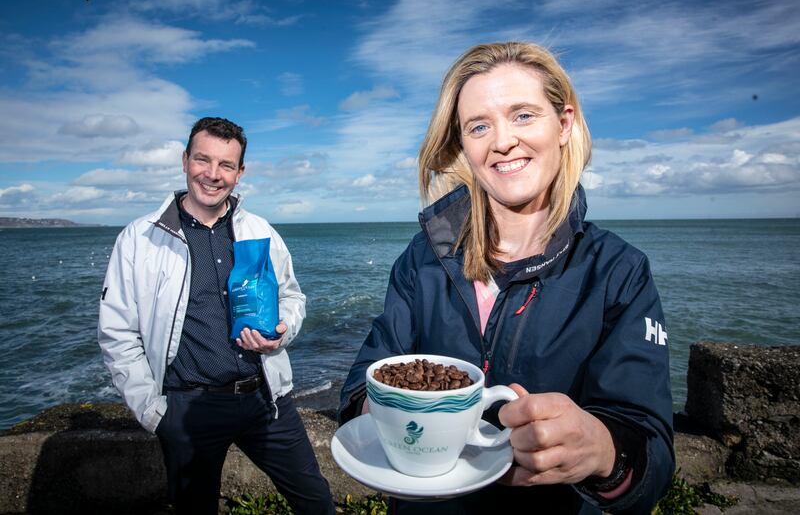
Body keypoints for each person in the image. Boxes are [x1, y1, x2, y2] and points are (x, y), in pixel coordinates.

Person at [338, 42, 674, 514]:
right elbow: (363, 377)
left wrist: (601, 451)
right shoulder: (423, 257)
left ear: (564, 124)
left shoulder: (619, 270)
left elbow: (651, 450)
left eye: (522, 115)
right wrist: (382, 414)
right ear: (462, 144)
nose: (502, 141)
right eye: (479, 126)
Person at [98, 117, 335, 515]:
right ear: (184, 160)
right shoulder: (140, 238)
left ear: (240, 172)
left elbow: (292, 297)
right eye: (202, 160)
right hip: (189, 409)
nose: (212, 175)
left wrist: (282, 331)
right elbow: (117, 333)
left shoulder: (259, 230)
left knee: (316, 502)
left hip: (266, 399)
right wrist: (155, 414)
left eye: (226, 165)